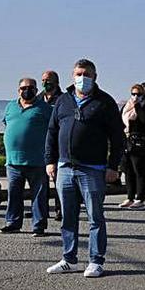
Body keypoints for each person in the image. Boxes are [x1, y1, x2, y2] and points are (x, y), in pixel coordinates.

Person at [45, 59, 125, 278]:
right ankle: (68, 258)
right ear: (73, 76)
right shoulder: (63, 100)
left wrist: (113, 166)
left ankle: (96, 260)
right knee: (67, 217)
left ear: (95, 77)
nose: (82, 78)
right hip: (65, 168)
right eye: (79, 74)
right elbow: (52, 132)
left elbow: (118, 138)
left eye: (87, 74)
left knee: (95, 217)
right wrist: (50, 161)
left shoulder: (105, 102)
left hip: (92, 169)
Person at [1, 77, 53, 237]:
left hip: (37, 160)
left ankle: (39, 226)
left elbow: (54, 130)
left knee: (38, 194)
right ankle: (13, 223)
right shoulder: (10, 106)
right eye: (23, 88)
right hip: (13, 161)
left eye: (30, 87)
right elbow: (6, 124)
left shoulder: (45, 108)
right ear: (18, 90)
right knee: (14, 194)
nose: (27, 90)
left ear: (37, 90)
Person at [120, 83, 145, 209]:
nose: (135, 97)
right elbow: (121, 121)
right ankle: (129, 197)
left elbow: (144, 120)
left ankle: (140, 198)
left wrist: (137, 106)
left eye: (138, 94)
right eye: (133, 94)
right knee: (128, 170)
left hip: (141, 143)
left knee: (140, 171)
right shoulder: (127, 107)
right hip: (128, 141)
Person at [39, 70, 64, 222]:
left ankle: (60, 209)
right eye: (43, 80)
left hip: (57, 143)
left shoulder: (62, 99)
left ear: (55, 82)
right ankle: (42, 210)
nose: (45, 83)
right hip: (40, 143)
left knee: (58, 180)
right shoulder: (39, 98)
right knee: (41, 181)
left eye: (48, 80)